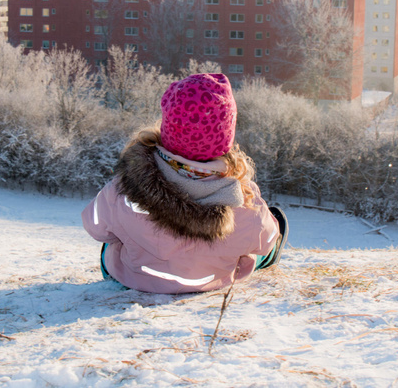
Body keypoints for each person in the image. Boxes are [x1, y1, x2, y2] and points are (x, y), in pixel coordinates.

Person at [82, 73, 287, 294]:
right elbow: (267, 240)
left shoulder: (124, 187)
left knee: (112, 237)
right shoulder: (244, 201)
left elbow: (94, 226)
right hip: (209, 279)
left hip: (137, 277)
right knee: (272, 227)